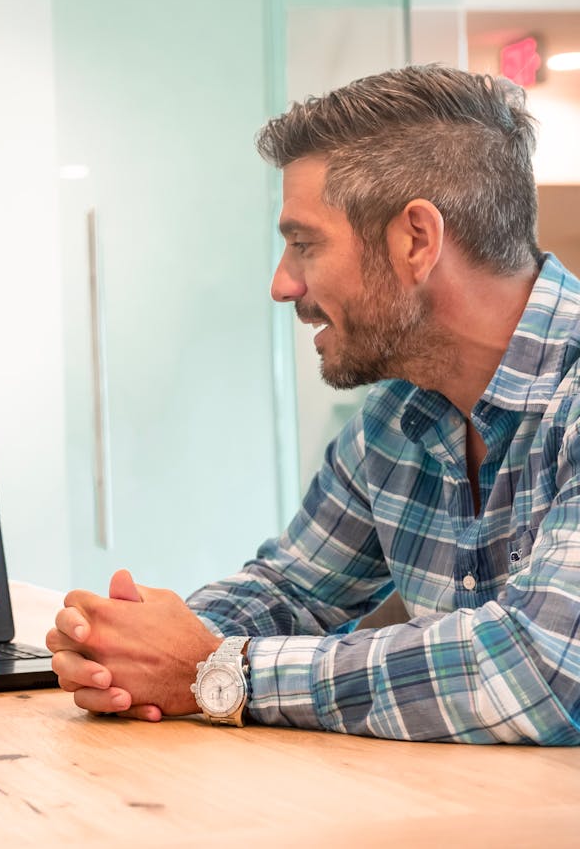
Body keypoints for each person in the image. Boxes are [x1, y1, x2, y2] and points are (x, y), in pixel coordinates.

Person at [48, 64, 580, 744]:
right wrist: (126, 643)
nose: (281, 283)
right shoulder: (400, 416)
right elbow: (294, 590)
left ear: (417, 240)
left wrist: (221, 671)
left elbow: (541, 668)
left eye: (304, 244)